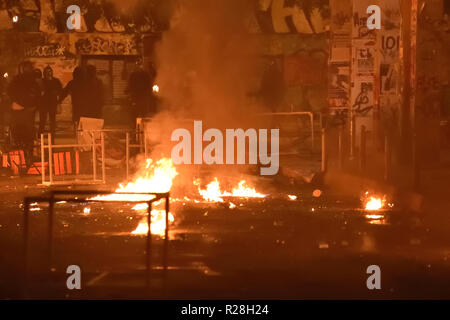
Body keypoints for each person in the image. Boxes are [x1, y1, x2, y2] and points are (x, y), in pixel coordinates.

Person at [7, 61, 40, 163]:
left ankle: (24, 156)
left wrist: (32, 106)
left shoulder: (30, 81)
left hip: (24, 111)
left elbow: (37, 95)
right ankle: (22, 156)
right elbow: (10, 92)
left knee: (25, 135)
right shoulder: (20, 80)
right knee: (22, 135)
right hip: (21, 111)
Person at [38, 66, 62, 140]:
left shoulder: (55, 81)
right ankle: (40, 135)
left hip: (52, 103)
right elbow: (39, 92)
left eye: (50, 71)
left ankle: (52, 136)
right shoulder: (42, 81)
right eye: (47, 72)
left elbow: (60, 90)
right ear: (44, 73)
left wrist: (58, 101)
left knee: (52, 121)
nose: (49, 73)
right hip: (43, 103)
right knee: (42, 120)